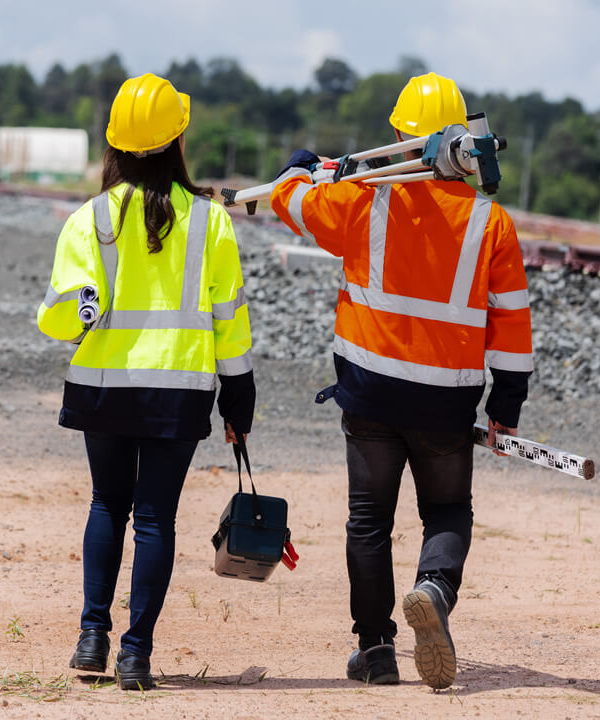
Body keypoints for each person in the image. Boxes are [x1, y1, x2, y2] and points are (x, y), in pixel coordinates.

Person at [268, 72, 533, 689]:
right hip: (446, 399)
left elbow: (294, 204)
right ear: (465, 143)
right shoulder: (492, 224)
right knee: (446, 509)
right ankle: (434, 589)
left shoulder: (364, 199)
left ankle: (377, 650)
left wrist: (299, 168)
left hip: (371, 390)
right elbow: (513, 326)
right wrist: (508, 403)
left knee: (368, 520)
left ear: (396, 134)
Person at [36, 73, 255, 691]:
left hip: (105, 385)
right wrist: (240, 391)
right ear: (177, 138)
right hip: (179, 392)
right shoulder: (211, 223)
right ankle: (136, 654)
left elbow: (59, 313)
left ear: (114, 144)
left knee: (108, 502)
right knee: (156, 518)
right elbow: (229, 320)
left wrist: (85, 306)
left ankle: (91, 636)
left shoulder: (90, 219)